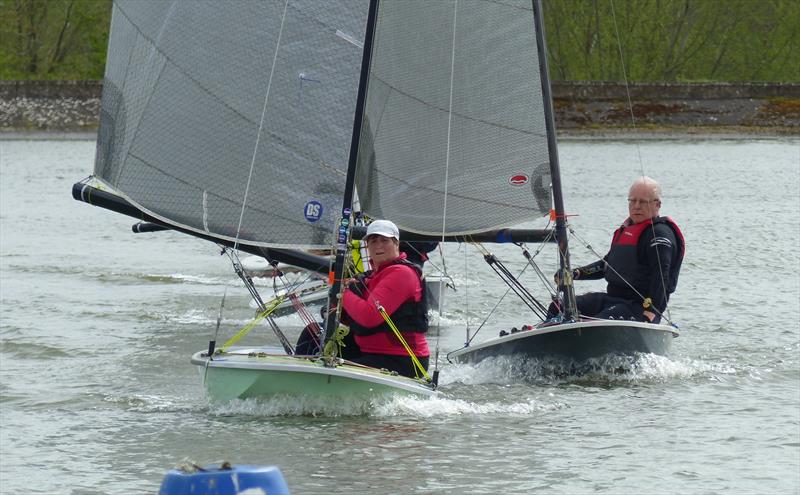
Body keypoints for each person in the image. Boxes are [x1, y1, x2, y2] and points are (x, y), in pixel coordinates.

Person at [550, 176, 684, 324]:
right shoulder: (627, 230)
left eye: (643, 201)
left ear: (657, 205)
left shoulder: (660, 234)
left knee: (596, 323)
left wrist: (652, 311)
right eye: (632, 200)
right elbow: (606, 266)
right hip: (613, 300)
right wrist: (574, 274)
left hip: (639, 308)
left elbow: (661, 277)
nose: (636, 206)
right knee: (559, 307)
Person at [339, 219, 430, 378]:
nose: (378, 246)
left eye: (384, 240)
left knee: (334, 368)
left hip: (402, 359)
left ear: (396, 243)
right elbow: (351, 319)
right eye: (373, 241)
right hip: (369, 351)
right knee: (313, 333)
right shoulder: (369, 277)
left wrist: (342, 292)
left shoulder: (402, 273)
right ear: (367, 246)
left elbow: (369, 316)